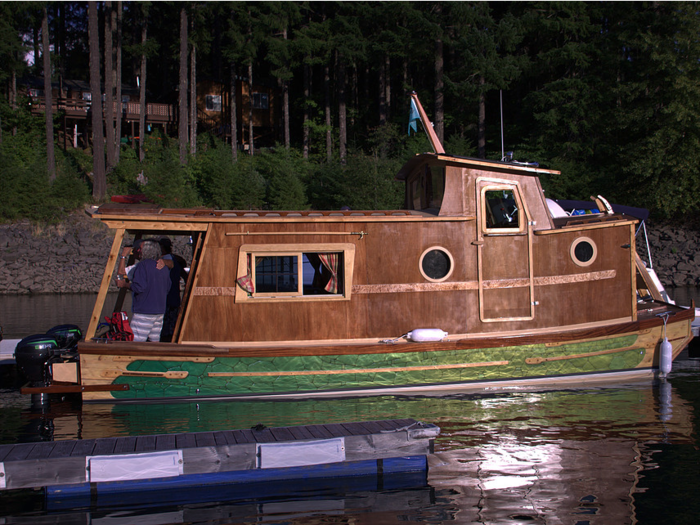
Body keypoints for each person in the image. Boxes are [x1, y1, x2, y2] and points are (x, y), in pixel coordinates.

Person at [115, 239, 171, 342]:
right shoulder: (164, 268)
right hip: (159, 312)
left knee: (136, 342)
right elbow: (167, 287)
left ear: (146, 251)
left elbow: (139, 287)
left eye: (140, 249)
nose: (138, 251)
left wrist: (124, 284)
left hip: (144, 312)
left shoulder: (142, 266)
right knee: (154, 341)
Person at [158, 237, 189, 342]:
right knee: (173, 327)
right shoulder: (176, 260)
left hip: (165, 298)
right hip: (174, 297)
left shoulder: (162, 262)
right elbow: (186, 277)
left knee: (164, 328)